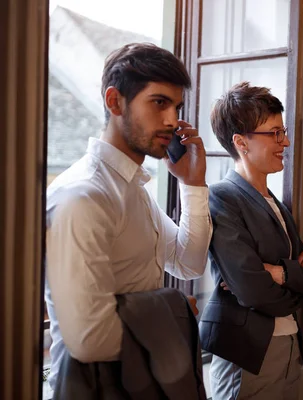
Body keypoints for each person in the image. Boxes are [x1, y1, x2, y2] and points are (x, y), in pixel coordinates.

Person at [45, 42, 212, 391]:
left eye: (177, 106)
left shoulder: (134, 189)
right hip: (95, 387)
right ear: (114, 101)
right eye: (159, 102)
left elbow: (188, 263)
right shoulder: (83, 197)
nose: (172, 120)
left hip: (143, 378)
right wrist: (175, 310)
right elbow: (91, 340)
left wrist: (193, 184)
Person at [199, 82, 303, 400]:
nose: (285, 141)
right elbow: (252, 288)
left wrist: (281, 273)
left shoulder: (278, 204)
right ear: (241, 142)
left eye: (282, 132)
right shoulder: (221, 198)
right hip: (247, 353)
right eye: (274, 133)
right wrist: (293, 281)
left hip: (289, 346)